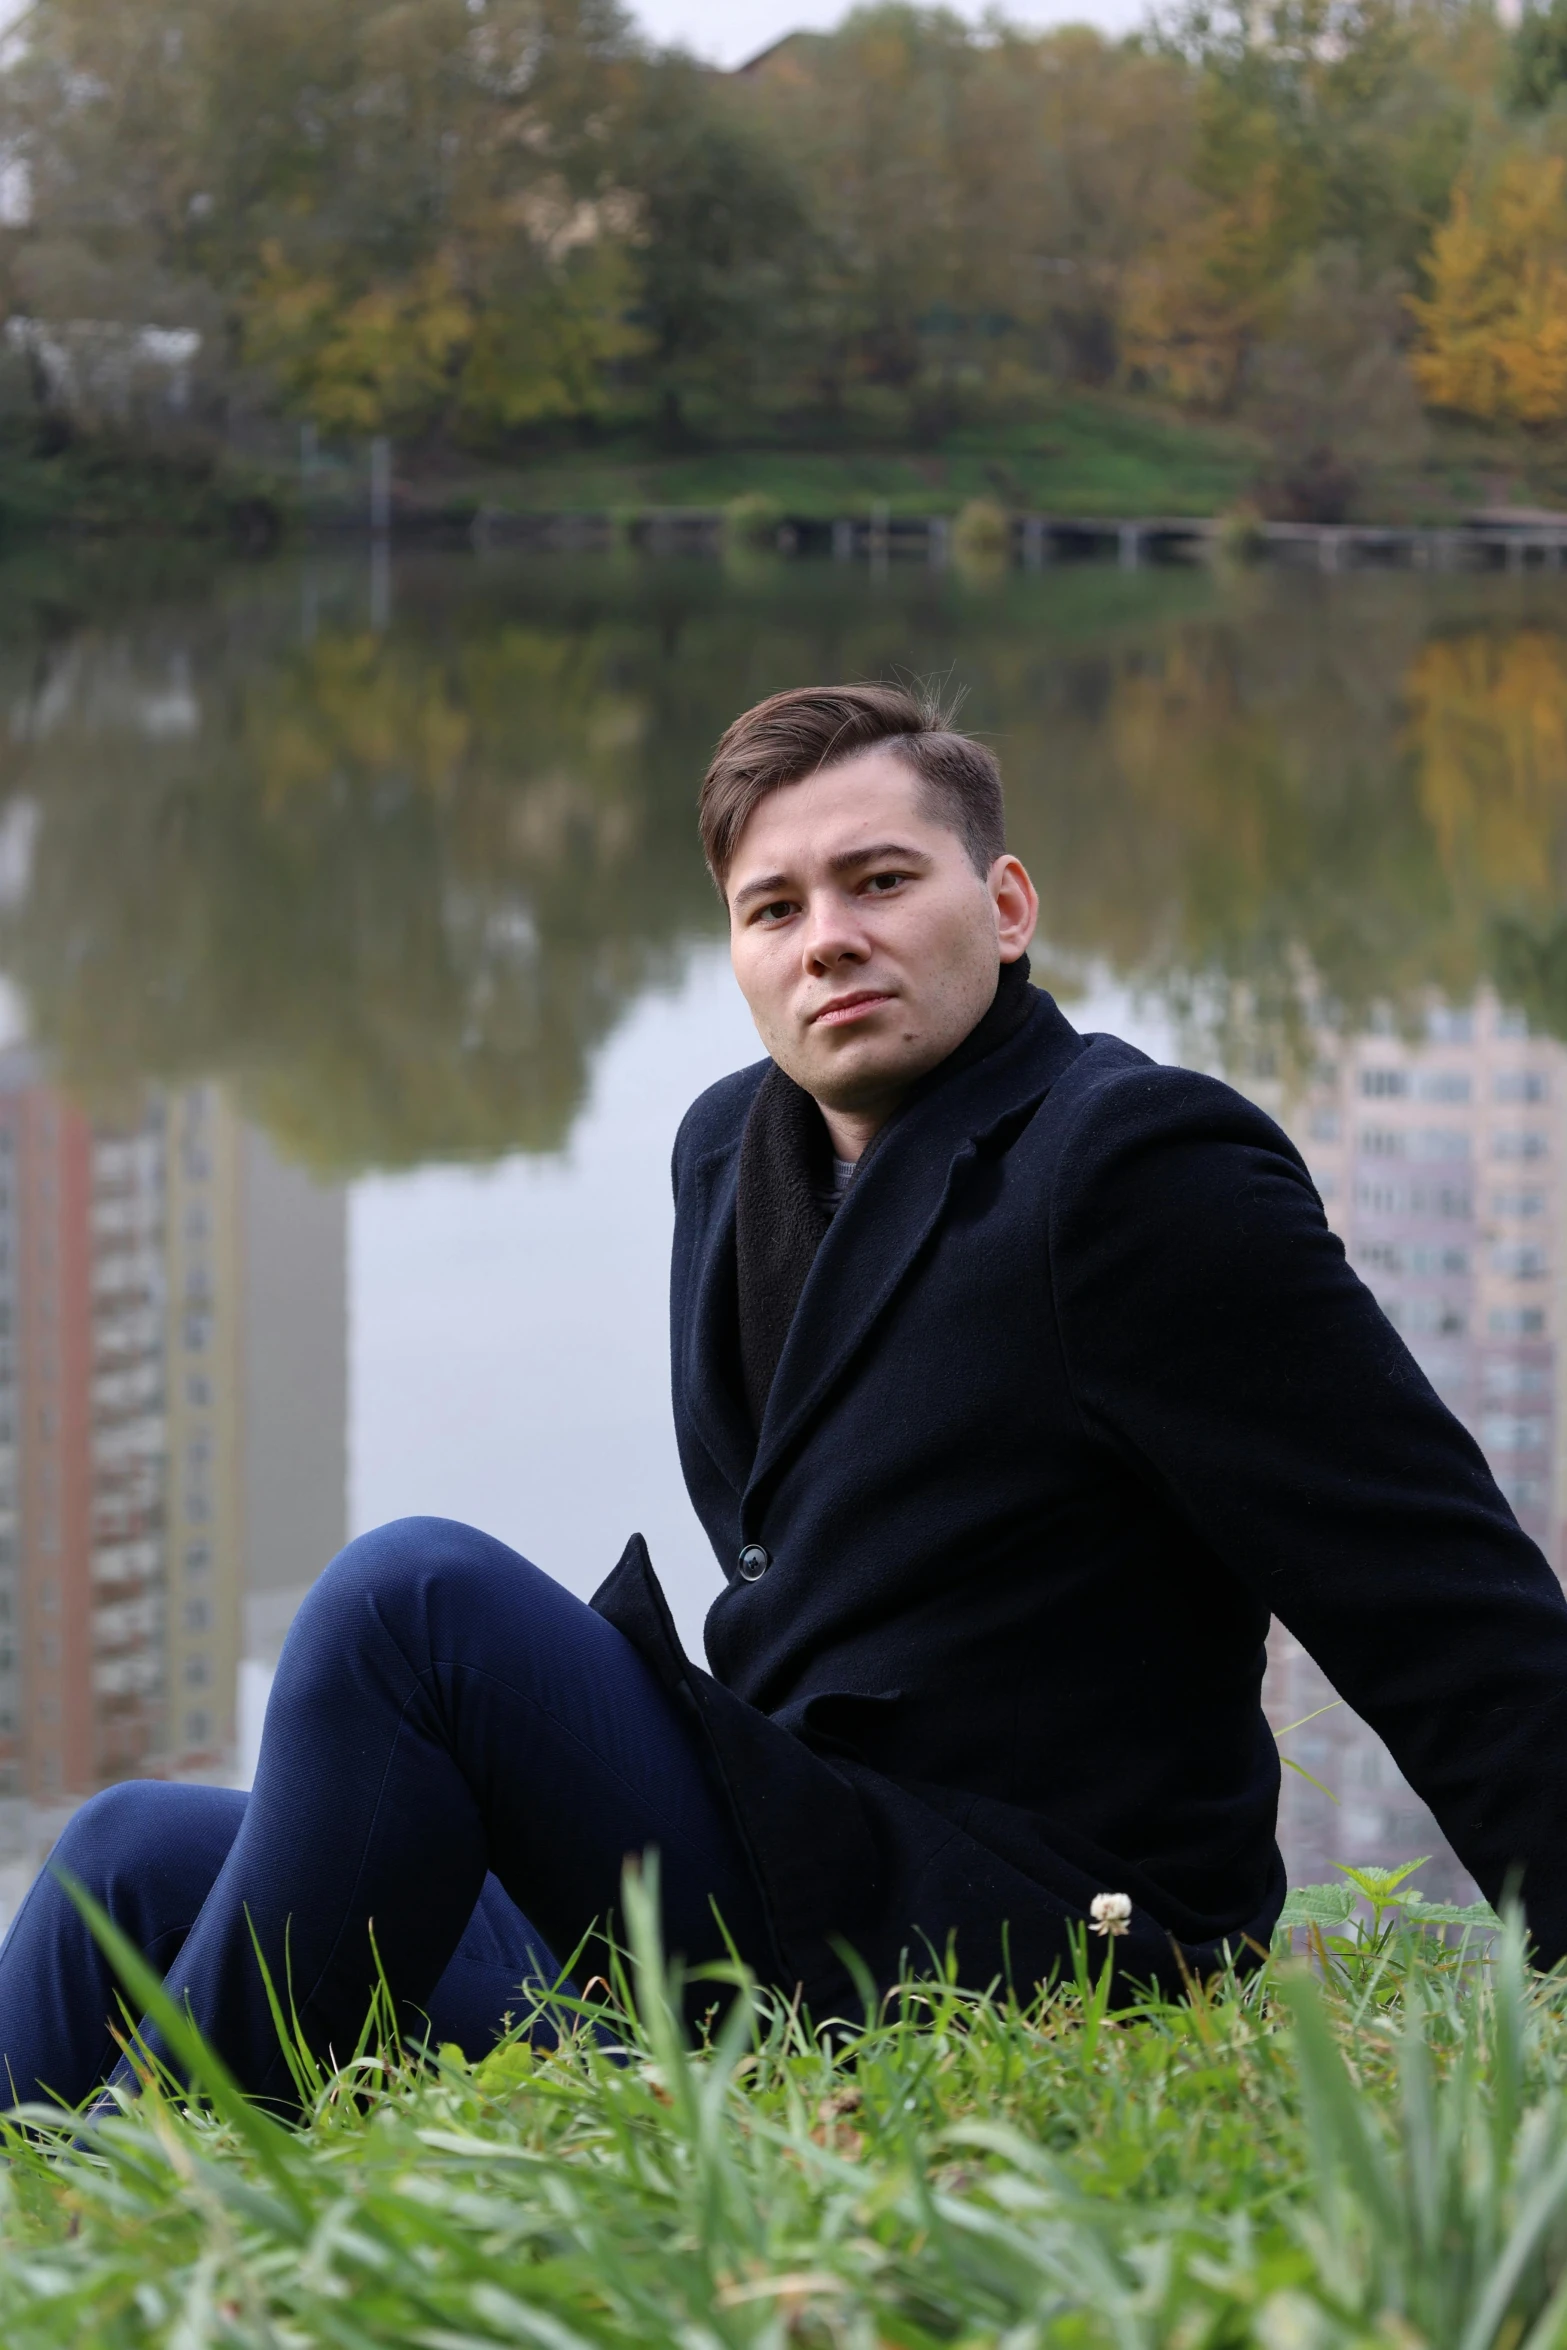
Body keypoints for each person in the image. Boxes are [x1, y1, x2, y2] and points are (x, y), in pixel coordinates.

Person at [6, 678, 1567, 2112]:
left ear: (1006, 906)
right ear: (738, 956)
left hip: (1011, 1939)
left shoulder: (1133, 1172)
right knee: (121, 1859)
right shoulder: (728, 1153)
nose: (827, 935)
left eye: (881, 881)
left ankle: (187, 2212)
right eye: (774, 906)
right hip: (784, 1861)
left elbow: (1441, 1606)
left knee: (412, 1604)